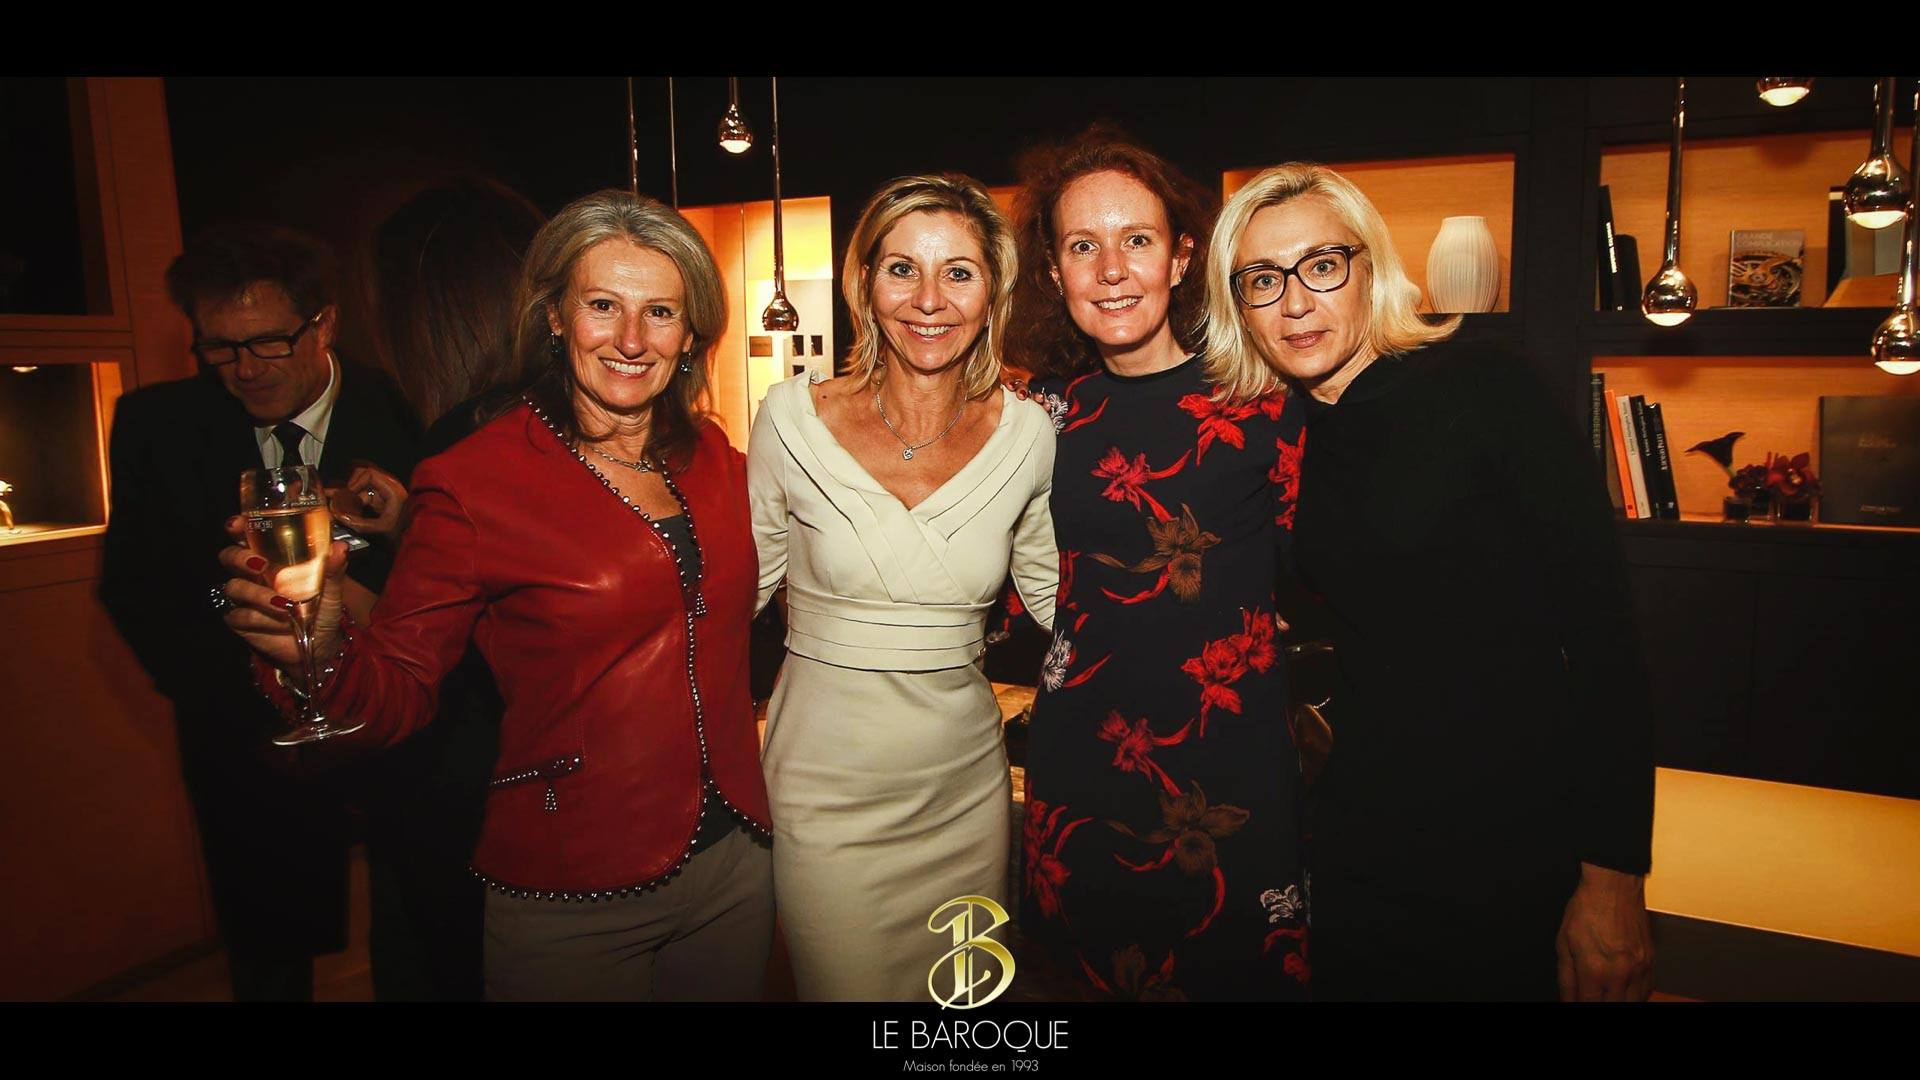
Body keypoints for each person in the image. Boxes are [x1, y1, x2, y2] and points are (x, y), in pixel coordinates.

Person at [216, 190, 774, 1002]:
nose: (630, 339)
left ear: (690, 334)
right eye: (602, 306)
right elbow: (398, 690)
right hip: (574, 887)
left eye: (660, 312)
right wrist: (323, 648)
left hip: (734, 866)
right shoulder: (474, 480)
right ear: (554, 317)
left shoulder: (718, 460)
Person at [1204, 163, 1655, 1001]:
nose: (1294, 302)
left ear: (1371, 268)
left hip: (1509, 845)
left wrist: (1614, 879)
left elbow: (1606, 641)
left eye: (1321, 265)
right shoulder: (1282, 436)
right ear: (1239, 305)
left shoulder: (1489, 390)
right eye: (1262, 279)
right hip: (1359, 846)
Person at [1005, 127, 1310, 1001]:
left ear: (1180, 259)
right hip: (1079, 775)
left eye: (1136, 240)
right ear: (1054, 272)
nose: (1111, 269)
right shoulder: (1032, 414)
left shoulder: (1264, 402)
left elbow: (1332, 581)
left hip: (1232, 773)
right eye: (1082, 246)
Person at [748, 173, 1057, 1001]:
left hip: (963, 793)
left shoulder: (1030, 434)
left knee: (962, 1021)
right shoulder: (789, 420)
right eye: (901, 269)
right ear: (864, 284)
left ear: (992, 292)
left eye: (958, 272)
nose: (929, 299)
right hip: (825, 798)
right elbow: (737, 593)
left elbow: (1064, 601)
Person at [99, 223, 420, 1001]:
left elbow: (456, 576)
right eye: (219, 347)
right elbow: (135, 589)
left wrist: (399, 538)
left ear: (325, 323)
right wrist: (251, 677)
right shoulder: (155, 425)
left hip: (404, 739)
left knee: (418, 940)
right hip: (246, 744)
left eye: (269, 342)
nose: (244, 369)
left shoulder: (410, 406)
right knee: (268, 962)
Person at [330, 177, 547, 1001]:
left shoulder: (463, 441)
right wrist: (406, 530)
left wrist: (331, 605)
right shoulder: (553, 420)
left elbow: (452, 656)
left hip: (473, 789)